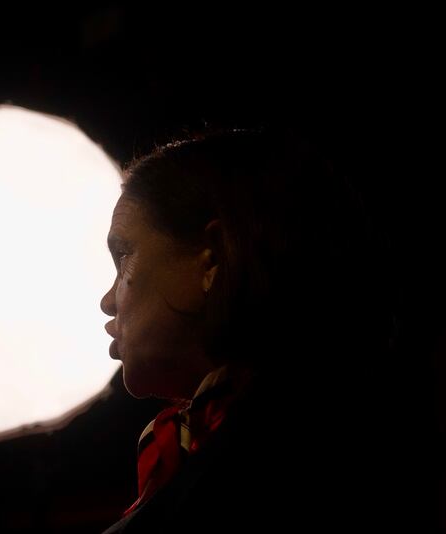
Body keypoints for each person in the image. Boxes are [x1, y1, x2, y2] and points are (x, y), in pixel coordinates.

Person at [98, 128, 420, 533]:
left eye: (123, 256)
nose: (108, 301)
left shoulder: (288, 463)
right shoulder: (339, 429)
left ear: (210, 259)